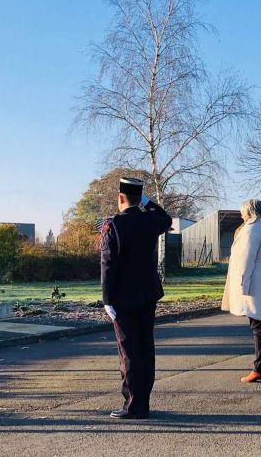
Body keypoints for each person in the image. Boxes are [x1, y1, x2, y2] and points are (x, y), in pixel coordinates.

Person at [100, 177, 172, 419]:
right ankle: (143, 401)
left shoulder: (114, 226)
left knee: (128, 351)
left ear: (120, 198)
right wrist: (147, 201)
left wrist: (107, 299)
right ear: (137, 198)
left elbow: (107, 265)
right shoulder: (149, 221)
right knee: (145, 348)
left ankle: (134, 405)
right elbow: (167, 219)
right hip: (148, 295)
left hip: (123, 298)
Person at [222, 199, 261, 383]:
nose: (241, 216)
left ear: (249, 212)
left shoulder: (251, 230)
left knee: (259, 328)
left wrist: (241, 287)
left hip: (255, 287)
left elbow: (245, 263)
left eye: (242, 213)